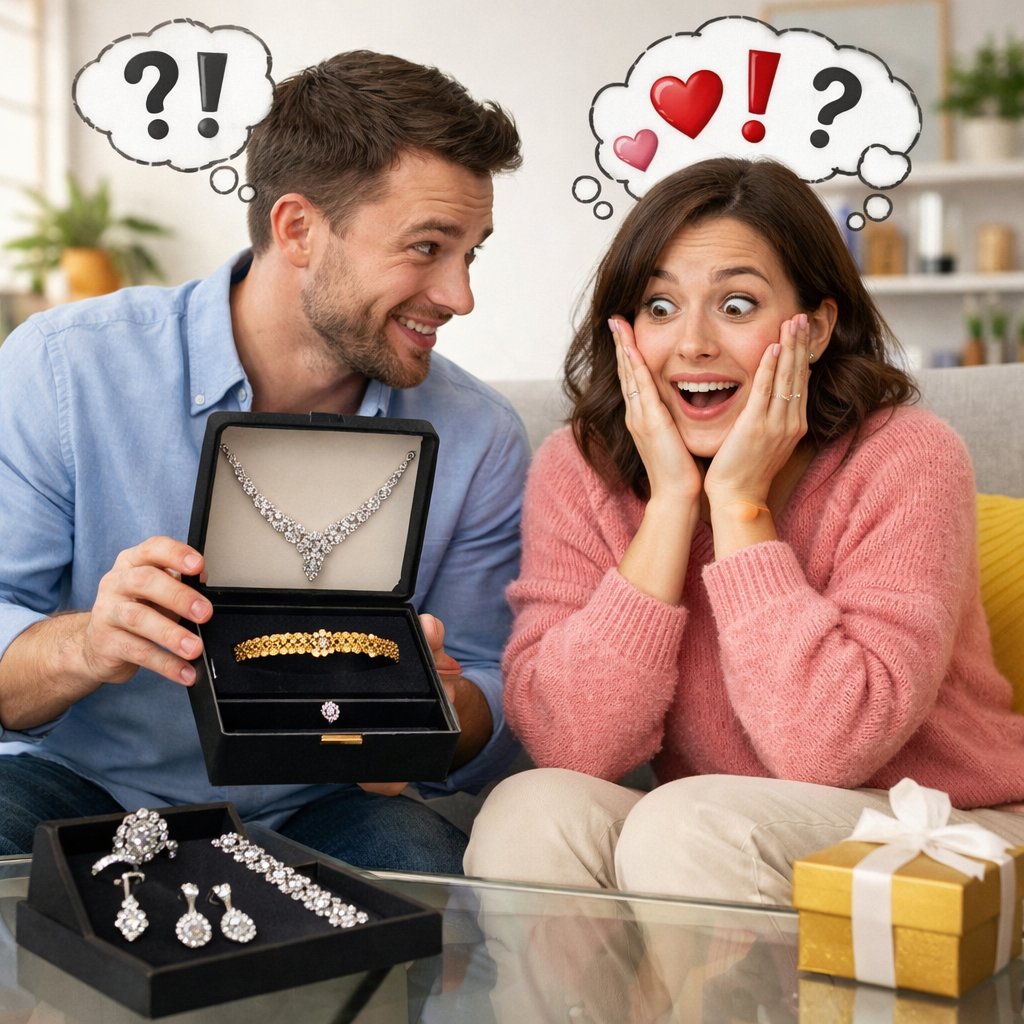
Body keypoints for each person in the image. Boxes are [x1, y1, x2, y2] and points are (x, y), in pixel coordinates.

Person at [0, 51, 528, 874]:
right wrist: (87, 645)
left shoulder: (480, 436)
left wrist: (427, 713)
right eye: (427, 247)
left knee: (430, 892)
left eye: (472, 253)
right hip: (74, 783)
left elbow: (492, 691)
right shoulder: (64, 369)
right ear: (297, 228)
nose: (461, 296)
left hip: (322, 806)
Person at [465, 156, 1024, 903]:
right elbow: (576, 747)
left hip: (945, 825)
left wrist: (737, 506)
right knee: (528, 815)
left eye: (735, 305)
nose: (692, 344)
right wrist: (668, 507)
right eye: (660, 308)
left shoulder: (906, 457)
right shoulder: (581, 468)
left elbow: (826, 746)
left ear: (817, 327)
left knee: (690, 823)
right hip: (711, 831)